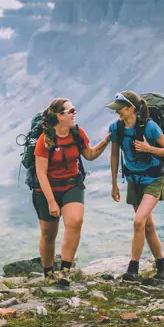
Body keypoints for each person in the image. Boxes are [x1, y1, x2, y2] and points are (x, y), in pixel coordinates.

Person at [32, 97, 110, 286]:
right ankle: (48, 272)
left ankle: (65, 271)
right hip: (46, 190)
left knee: (75, 221)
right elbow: (41, 174)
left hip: (71, 184)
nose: (75, 113)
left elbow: (89, 155)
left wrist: (107, 140)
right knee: (49, 233)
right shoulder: (45, 140)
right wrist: (51, 201)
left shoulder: (77, 133)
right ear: (60, 116)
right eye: (71, 111)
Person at [106, 90, 164, 281]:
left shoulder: (150, 128)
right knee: (147, 225)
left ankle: (133, 269)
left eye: (120, 109)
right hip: (133, 180)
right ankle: (163, 268)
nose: (117, 113)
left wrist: (149, 148)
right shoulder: (116, 128)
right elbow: (113, 156)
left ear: (131, 109)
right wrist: (114, 184)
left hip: (154, 180)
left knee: (138, 222)